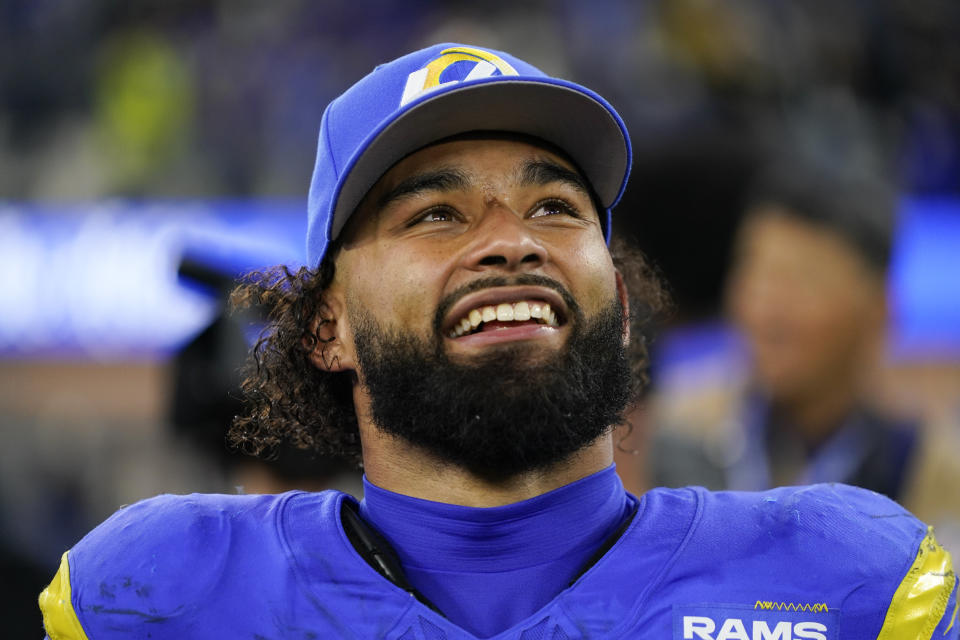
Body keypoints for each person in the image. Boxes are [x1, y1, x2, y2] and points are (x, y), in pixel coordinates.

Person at [39, 43, 956, 640]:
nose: (514, 240)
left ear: (622, 303)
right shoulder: (152, 594)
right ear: (327, 327)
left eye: (555, 207)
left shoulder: (849, 582)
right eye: (436, 213)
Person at [647, 160, 960, 546]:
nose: (767, 309)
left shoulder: (935, 477)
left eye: (801, 281)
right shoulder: (672, 431)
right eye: (758, 273)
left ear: (879, 311)